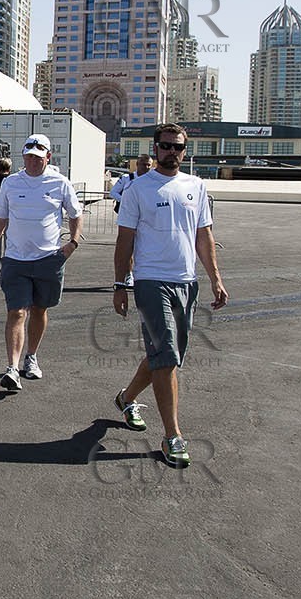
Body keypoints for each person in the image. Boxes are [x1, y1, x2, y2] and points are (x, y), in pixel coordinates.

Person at [112, 124, 229, 467]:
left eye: (177, 148)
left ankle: (126, 398)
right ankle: (172, 436)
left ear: (184, 151)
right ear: (156, 148)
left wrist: (215, 280)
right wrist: (121, 284)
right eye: (165, 146)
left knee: (168, 356)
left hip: (186, 282)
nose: (171, 152)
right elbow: (125, 241)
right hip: (150, 281)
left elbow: (204, 237)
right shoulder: (138, 189)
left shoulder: (196, 186)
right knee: (165, 356)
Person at [0, 135, 82, 391]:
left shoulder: (60, 182)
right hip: (15, 260)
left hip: (49, 259)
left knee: (39, 310)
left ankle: (31, 357)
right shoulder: (11, 183)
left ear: (48, 157)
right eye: (28, 156)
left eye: (38, 157)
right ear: (23, 157)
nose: (33, 161)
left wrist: (72, 243)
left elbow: (75, 213)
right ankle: (12, 368)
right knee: (16, 312)